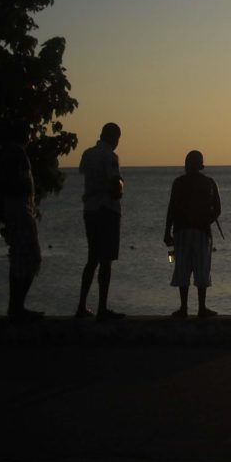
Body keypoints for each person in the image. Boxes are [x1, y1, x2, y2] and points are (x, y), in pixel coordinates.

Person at [163, 150, 221, 318]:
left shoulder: (178, 182)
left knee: (181, 268)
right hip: (202, 233)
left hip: (180, 232)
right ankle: (202, 308)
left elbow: (171, 209)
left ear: (187, 165)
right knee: (202, 269)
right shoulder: (209, 182)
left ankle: (183, 308)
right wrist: (205, 221)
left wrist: (167, 232)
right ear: (201, 165)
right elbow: (217, 209)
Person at [77, 123, 125, 320]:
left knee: (92, 258)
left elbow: (83, 172)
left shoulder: (88, 154)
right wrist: (119, 189)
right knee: (106, 261)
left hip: (90, 209)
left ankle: (81, 305)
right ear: (113, 137)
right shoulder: (111, 157)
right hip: (107, 210)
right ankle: (102, 308)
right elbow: (115, 183)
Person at [0, 123, 43, 320]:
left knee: (20, 257)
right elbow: (14, 180)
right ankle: (17, 306)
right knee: (31, 257)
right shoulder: (16, 153)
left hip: (18, 209)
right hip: (20, 210)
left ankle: (16, 305)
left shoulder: (12, 152)